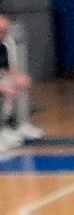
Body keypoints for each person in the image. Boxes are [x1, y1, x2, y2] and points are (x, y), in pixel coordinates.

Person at [0, 13, 36, 149]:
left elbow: (5, 69)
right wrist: (3, 88)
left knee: (16, 84)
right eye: (2, 32)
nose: (5, 35)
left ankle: (12, 126)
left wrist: (18, 78)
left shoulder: (3, 46)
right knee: (6, 89)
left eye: (6, 31)